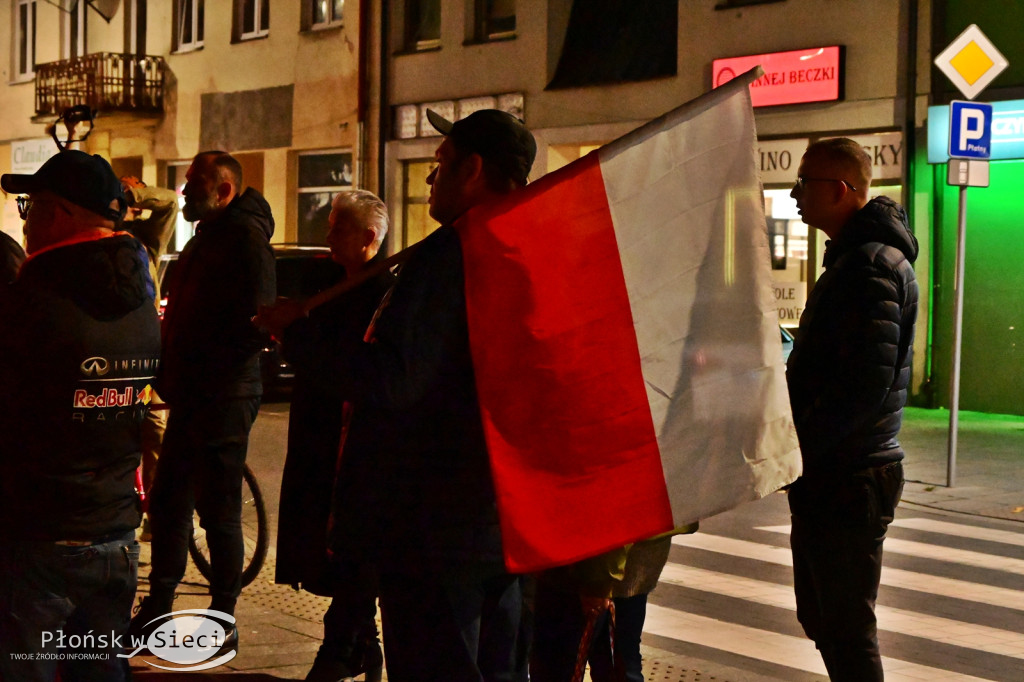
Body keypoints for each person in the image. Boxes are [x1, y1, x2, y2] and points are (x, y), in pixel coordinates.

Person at [327, 109, 536, 681]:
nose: (429, 179)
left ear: (473, 169)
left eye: (440, 166)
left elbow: (395, 380)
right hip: (505, 520)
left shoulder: (451, 257)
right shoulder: (532, 249)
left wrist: (322, 347)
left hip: (432, 526)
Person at [0, 151, 161, 681]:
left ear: (61, 212)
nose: (25, 220)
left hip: (40, 532)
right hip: (114, 530)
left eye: (32, 205)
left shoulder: (32, 299)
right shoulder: (140, 295)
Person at [786, 137, 918, 682]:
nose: (795, 195)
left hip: (850, 473)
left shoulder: (868, 267)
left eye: (804, 184)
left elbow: (865, 383)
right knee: (825, 617)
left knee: (844, 625)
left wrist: (802, 448)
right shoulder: (854, 258)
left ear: (840, 191)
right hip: (839, 470)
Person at [133, 151, 276, 647]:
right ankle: (158, 606)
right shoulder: (210, 236)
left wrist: (199, 368)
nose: (184, 191)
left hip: (223, 395)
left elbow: (252, 324)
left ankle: (222, 617)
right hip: (193, 394)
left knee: (217, 509)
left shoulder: (245, 239)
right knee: (171, 502)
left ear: (225, 189)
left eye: (194, 184)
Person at [261, 190, 394, 682]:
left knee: (349, 543)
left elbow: (341, 364)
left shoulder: (382, 296)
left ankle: (343, 646)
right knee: (328, 538)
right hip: (319, 429)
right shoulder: (327, 282)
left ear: (368, 238)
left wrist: (293, 334)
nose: (328, 236)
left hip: (353, 437)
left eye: (339, 228)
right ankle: (363, 643)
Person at [120, 176, 179, 538]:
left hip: (147, 356)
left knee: (157, 431)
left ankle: (156, 518)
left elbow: (170, 201)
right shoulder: (107, 236)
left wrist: (133, 196)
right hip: (114, 356)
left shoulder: (145, 244)